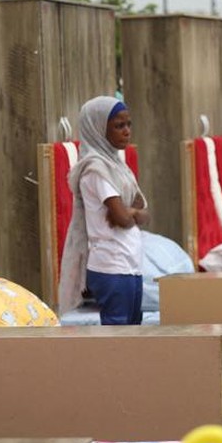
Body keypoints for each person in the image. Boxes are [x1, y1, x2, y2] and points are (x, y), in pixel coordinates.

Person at [57, 96, 150, 325]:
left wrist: (131, 212)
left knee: (134, 329)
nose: (126, 131)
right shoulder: (95, 169)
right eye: (119, 126)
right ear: (98, 129)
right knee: (117, 334)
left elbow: (143, 212)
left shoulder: (117, 166)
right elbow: (122, 218)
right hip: (111, 265)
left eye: (128, 124)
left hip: (129, 265)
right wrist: (129, 213)